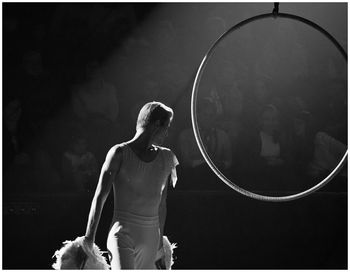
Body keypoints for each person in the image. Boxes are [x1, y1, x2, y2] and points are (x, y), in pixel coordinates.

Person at [83, 101, 179, 269]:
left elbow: (162, 205)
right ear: (157, 125)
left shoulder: (167, 157)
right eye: (166, 127)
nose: (167, 133)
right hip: (122, 234)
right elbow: (99, 197)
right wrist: (88, 241)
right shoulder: (119, 153)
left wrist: (159, 248)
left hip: (150, 238)